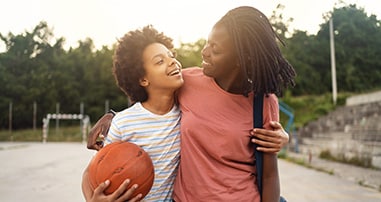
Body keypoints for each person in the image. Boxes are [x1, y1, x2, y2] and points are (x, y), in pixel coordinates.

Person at [88, 5, 296, 202]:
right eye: (207, 42)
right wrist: (113, 118)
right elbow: (153, 96)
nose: (204, 52)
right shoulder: (188, 82)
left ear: (241, 58)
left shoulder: (264, 103)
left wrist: (283, 137)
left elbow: (269, 176)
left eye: (215, 49)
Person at [82, 25, 184, 202]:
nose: (172, 61)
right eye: (160, 61)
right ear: (143, 79)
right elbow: (93, 170)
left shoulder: (186, 112)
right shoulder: (123, 123)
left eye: (172, 56)